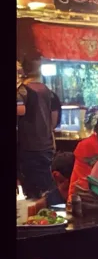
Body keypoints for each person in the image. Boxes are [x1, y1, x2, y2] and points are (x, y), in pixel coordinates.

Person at [17, 56, 62, 199]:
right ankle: (48, 215)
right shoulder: (49, 92)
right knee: (46, 184)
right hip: (47, 145)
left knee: (31, 188)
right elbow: (54, 121)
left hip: (29, 145)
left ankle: (35, 217)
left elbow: (20, 110)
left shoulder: (22, 91)